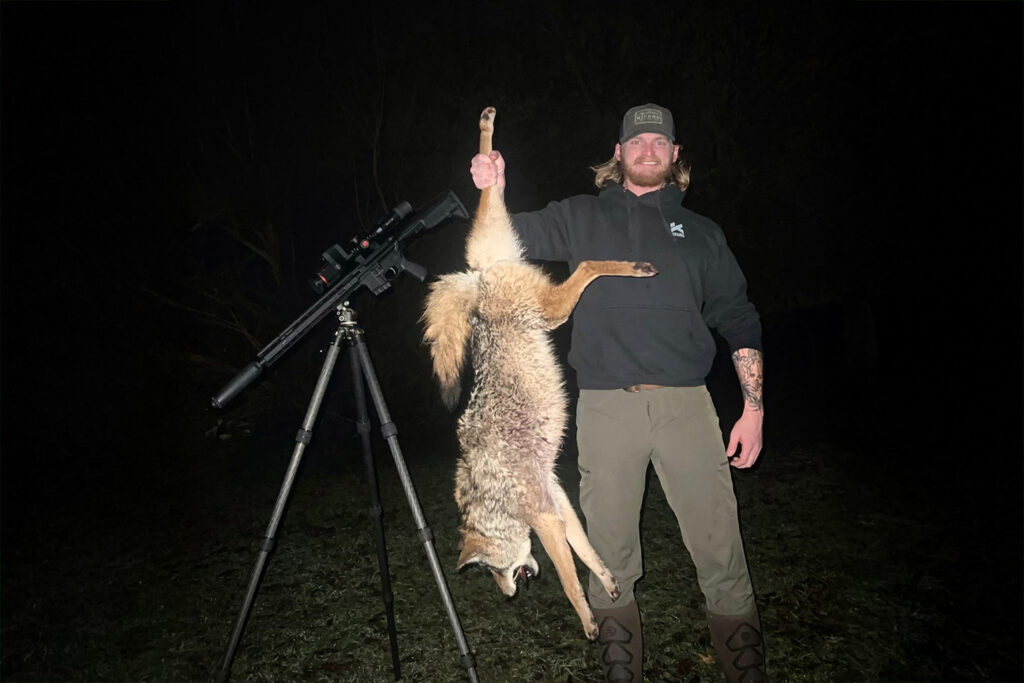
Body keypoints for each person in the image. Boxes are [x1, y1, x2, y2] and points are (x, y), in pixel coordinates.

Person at [469, 103, 767, 682]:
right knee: (609, 552)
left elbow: (739, 317)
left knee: (720, 549)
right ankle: (619, 670)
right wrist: (494, 188)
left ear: (675, 154)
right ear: (619, 152)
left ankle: (746, 671)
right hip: (606, 409)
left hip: (688, 407)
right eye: (638, 142)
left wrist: (752, 408)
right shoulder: (579, 216)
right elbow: (502, 239)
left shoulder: (703, 233)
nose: (648, 149)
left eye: (660, 141)